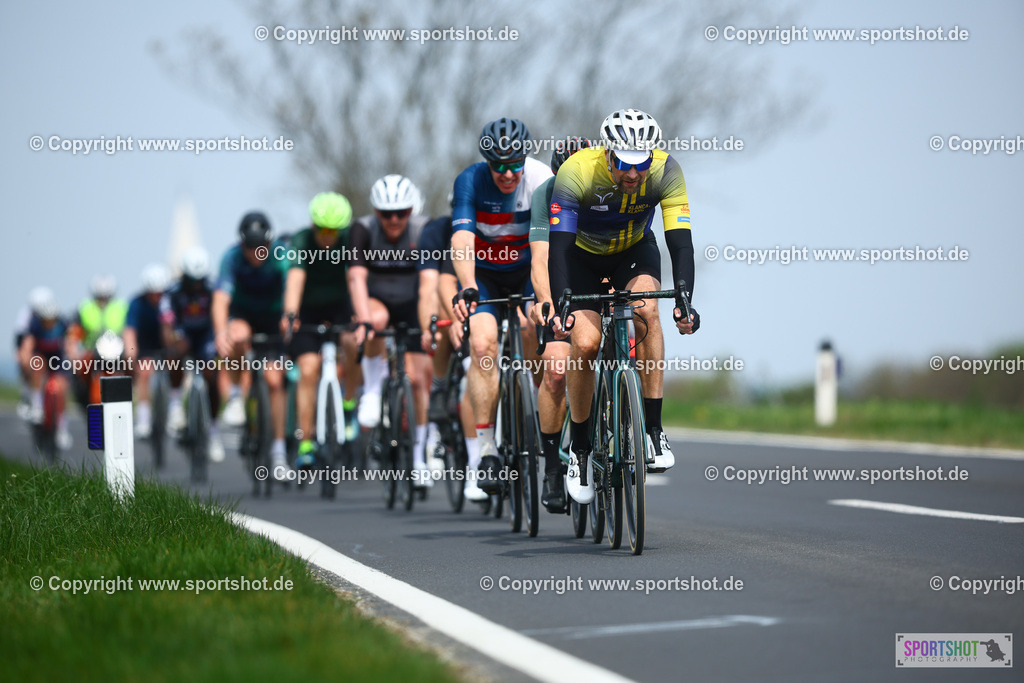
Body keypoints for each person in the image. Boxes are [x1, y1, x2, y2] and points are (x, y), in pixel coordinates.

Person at [542, 108, 701, 504]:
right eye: (624, 164)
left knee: (647, 311)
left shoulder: (667, 171)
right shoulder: (576, 172)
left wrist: (685, 300)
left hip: (633, 252)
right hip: (580, 258)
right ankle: (581, 450)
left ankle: (653, 429)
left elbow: (681, 243)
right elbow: (557, 250)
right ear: (608, 154)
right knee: (585, 344)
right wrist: (562, 306)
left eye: (640, 164)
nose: (633, 174)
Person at [450, 117, 552, 494]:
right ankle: (487, 448)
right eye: (498, 165)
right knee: (482, 346)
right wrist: (467, 286)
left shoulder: (540, 178)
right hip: (486, 275)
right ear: (486, 162)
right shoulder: (469, 180)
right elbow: (462, 240)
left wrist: (544, 297)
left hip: (527, 270)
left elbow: (548, 246)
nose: (508, 174)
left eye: (515, 164)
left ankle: (536, 403)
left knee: (533, 325)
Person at [349, 175, 435, 486]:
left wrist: (430, 322)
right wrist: (363, 320)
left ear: (412, 210)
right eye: (387, 214)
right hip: (378, 301)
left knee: (419, 380)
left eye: (402, 213)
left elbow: (429, 283)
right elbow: (356, 278)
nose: (394, 220)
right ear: (376, 212)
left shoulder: (423, 229)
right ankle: (372, 390)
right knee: (375, 320)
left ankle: (419, 458)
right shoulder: (363, 229)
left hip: (413, 305)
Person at [528, 136, 591, 512]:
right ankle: (552, 467)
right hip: (557, 282)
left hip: (596, 279)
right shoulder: (545, 195)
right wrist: (547, 305)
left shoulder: (606, 188)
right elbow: (540, 259)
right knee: (554, 371)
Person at [281, 192, 357, 470]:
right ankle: (305, 442)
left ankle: (349, 404)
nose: (328, 237)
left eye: (334, 231)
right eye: (323, 230)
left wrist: (358, 314)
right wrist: (290, 314)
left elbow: (354, 277)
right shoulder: (301, 240)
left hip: (340, 306)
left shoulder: (349, 239)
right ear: (313, 226)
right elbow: (295, 279)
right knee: (309, 369)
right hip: (308, 310)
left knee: (353, 342)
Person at [213, 211, 292, 478]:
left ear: (270, 243)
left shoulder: (282, 255)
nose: (256, 253)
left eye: (262, 246)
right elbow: (220, 300)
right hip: (244, 316)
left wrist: (289, 318)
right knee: (235, 335)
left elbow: (292, 288)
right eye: (250, 247)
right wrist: (220, 333)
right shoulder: (231, 258)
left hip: (274, 318)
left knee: (275, 381)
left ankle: (279, 451)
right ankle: (236, 394)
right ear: (242, 244)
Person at [161, 246, 225, 462]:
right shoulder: (172, 291)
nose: (196, 285)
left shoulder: (213, 288)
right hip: (184, 333)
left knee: (211, 375)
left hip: (206, 335)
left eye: (200, 280)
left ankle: (214, 431)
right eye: (192, 280)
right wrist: (171, 344)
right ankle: (175, 403)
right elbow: (166, 324)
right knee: (174, 353)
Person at [17, 287, 73, 449]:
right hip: (41, 357)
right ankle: (37, 405)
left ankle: (62, 428)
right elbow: (28, 345)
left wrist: (72, 358)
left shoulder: (63, 324)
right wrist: (25, 359)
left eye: (51, 320)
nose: (49, 323)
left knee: (62, 388)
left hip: (58, 359)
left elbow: (70, 345)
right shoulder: (34, 325)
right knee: (37, 364)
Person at [123, 264, 173, 439]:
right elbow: (130, 331)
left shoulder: (171, 301)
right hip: (145, 347)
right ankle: (144, 418)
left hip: (167, 345)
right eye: (152, 293)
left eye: (159, 293)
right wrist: (131, 352)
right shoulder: (136, 303)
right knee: (144, 371)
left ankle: (174, 413)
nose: (156, 297)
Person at [67, 275, 128, 409]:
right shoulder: (84, 308)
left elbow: (129, 331)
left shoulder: (122, 308)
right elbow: (74, 333)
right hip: (91, 351)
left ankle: (130, 392)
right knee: (80, 368)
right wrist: (74, 352)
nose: (103, 301)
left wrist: (131, 349)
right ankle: (82, 393)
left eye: (106, 297)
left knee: (133, 364)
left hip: (117, 351)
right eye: (100, 298)